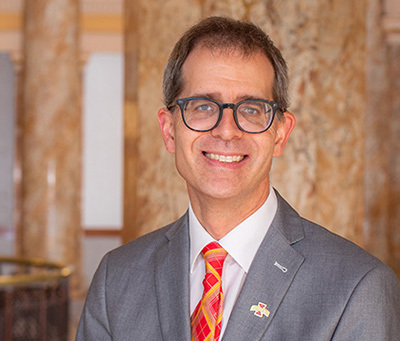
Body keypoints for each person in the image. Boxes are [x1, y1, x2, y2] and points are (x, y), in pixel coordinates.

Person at [77, 16, 400, 340]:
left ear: (279, 134)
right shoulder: (116, 279)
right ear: (169, 130)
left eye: (251, 109)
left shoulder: (357, 287)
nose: (227, 130)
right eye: (203, 106)